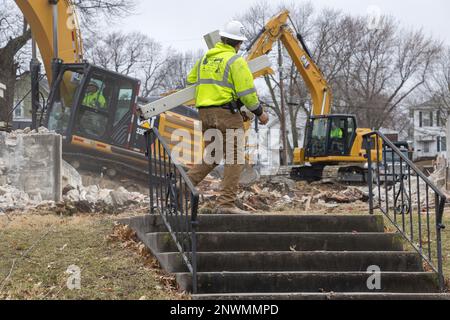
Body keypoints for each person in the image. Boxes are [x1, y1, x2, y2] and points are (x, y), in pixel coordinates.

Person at [186, 20, 270, 215]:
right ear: (238, 44)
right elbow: (247, 94)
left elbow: (191, 80)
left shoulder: (206, 58)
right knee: (235, 157)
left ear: (223, 39)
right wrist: (260, 113)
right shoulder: (236, 61)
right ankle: (226, 204)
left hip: (205, 114)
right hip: (226, 115)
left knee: (213, 156)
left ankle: (180, 187)